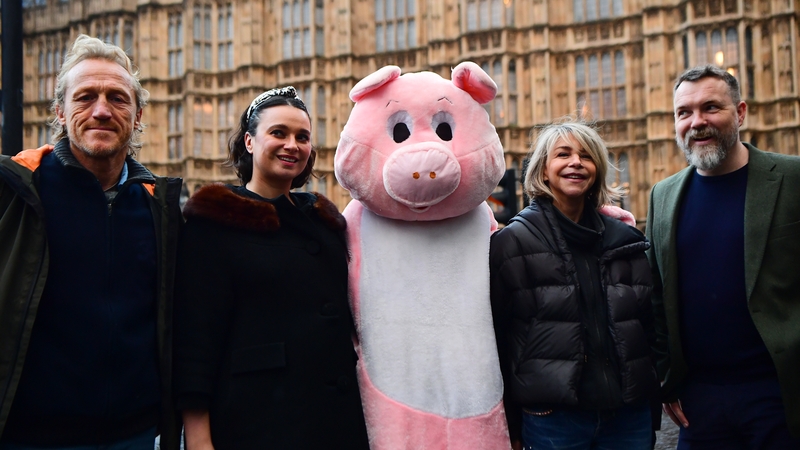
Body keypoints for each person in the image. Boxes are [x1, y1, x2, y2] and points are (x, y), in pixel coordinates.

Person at [0, 35, 182, 449]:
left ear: (137, 116)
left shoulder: (163, 210)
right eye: (86, 97)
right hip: (30, 435)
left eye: (117, 98)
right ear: (61, 112)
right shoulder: (13, 191)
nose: (101, 110)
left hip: (136, 436)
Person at [173, 86, 369, 449]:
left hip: (336, 420)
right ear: (249, 141)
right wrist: (199, 440)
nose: (292, 145)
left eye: (302, 137)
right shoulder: (215, 220)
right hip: (259, 420)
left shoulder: (325, 221)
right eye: (278, 133)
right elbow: (195, 341)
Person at [647, 65, 800, 448]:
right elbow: (655, 294)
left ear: (741, 113)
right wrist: (668, 379)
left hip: (779, 392)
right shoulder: (662, 195)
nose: (697, 122)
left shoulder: (792, 179)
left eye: (711, 107)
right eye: (685, 112)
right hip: (701, 401)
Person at [490, 120, 657, 450]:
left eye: (586, 156)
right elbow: (499, 337)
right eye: (563, 154)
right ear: (543, 170)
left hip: (627, 415)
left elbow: (647, 330)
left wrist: (649, 407)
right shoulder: (512, 243)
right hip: (555, 419)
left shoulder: (627, 241)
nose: (575, 162)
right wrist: (510, 422)